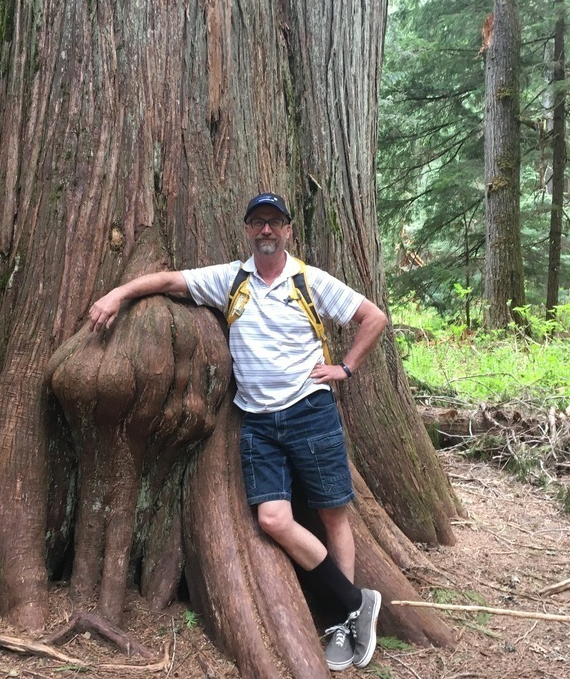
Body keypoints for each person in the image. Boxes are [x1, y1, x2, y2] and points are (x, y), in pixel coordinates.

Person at [88, 192, 388, 671]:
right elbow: (169, 280)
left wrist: (346, 369)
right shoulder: (231, 279)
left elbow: (373, 317)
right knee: (272, 519)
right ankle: (356, 602)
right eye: (257, 222)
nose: (265, 230)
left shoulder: (310, 282)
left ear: (288, 230)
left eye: (274, 222)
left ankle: (339, 620)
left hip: (311, 412)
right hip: (258, 424)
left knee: (333, 515)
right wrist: (117, 294)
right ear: (248, 230)